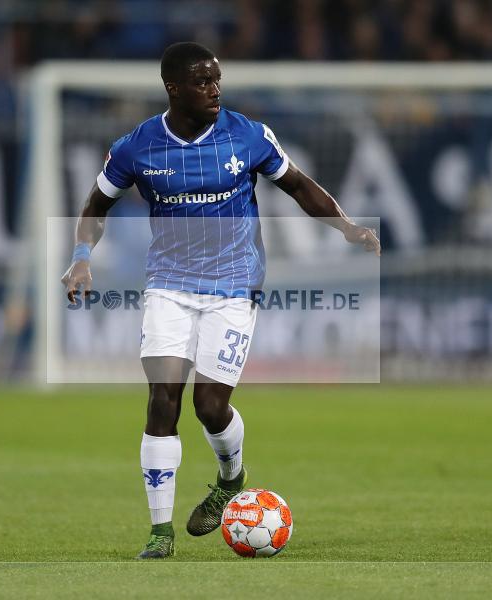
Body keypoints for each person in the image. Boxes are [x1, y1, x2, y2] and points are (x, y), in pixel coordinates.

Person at [61, 42, 381, 559]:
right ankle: (159, 533)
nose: (214, 89)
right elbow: (97, 204)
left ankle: (232, 477)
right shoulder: (136, 146)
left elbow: (298, 185)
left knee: (209, 406)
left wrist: (345, 227)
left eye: (217, 80)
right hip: (168, 283)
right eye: (203, 81)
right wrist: (80, 256)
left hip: (235, 284)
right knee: (162, 399)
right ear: (174, 87)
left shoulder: (247, 135)